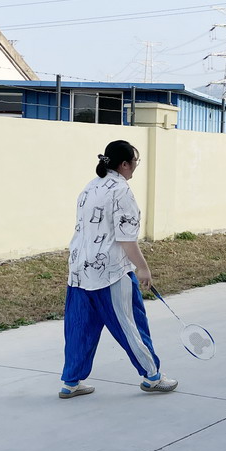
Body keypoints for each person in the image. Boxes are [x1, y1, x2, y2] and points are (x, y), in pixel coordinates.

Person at [59, 140, 177, 398]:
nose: (135, 166)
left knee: (79, 329)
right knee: (130, 325)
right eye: (135, 161)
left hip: (78, 271)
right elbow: (126, 239)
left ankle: (70, 382)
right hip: (110, 273)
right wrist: (143, 268)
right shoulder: (121, 191)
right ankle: (152, 376)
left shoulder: (90, 187)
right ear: (124, 164)